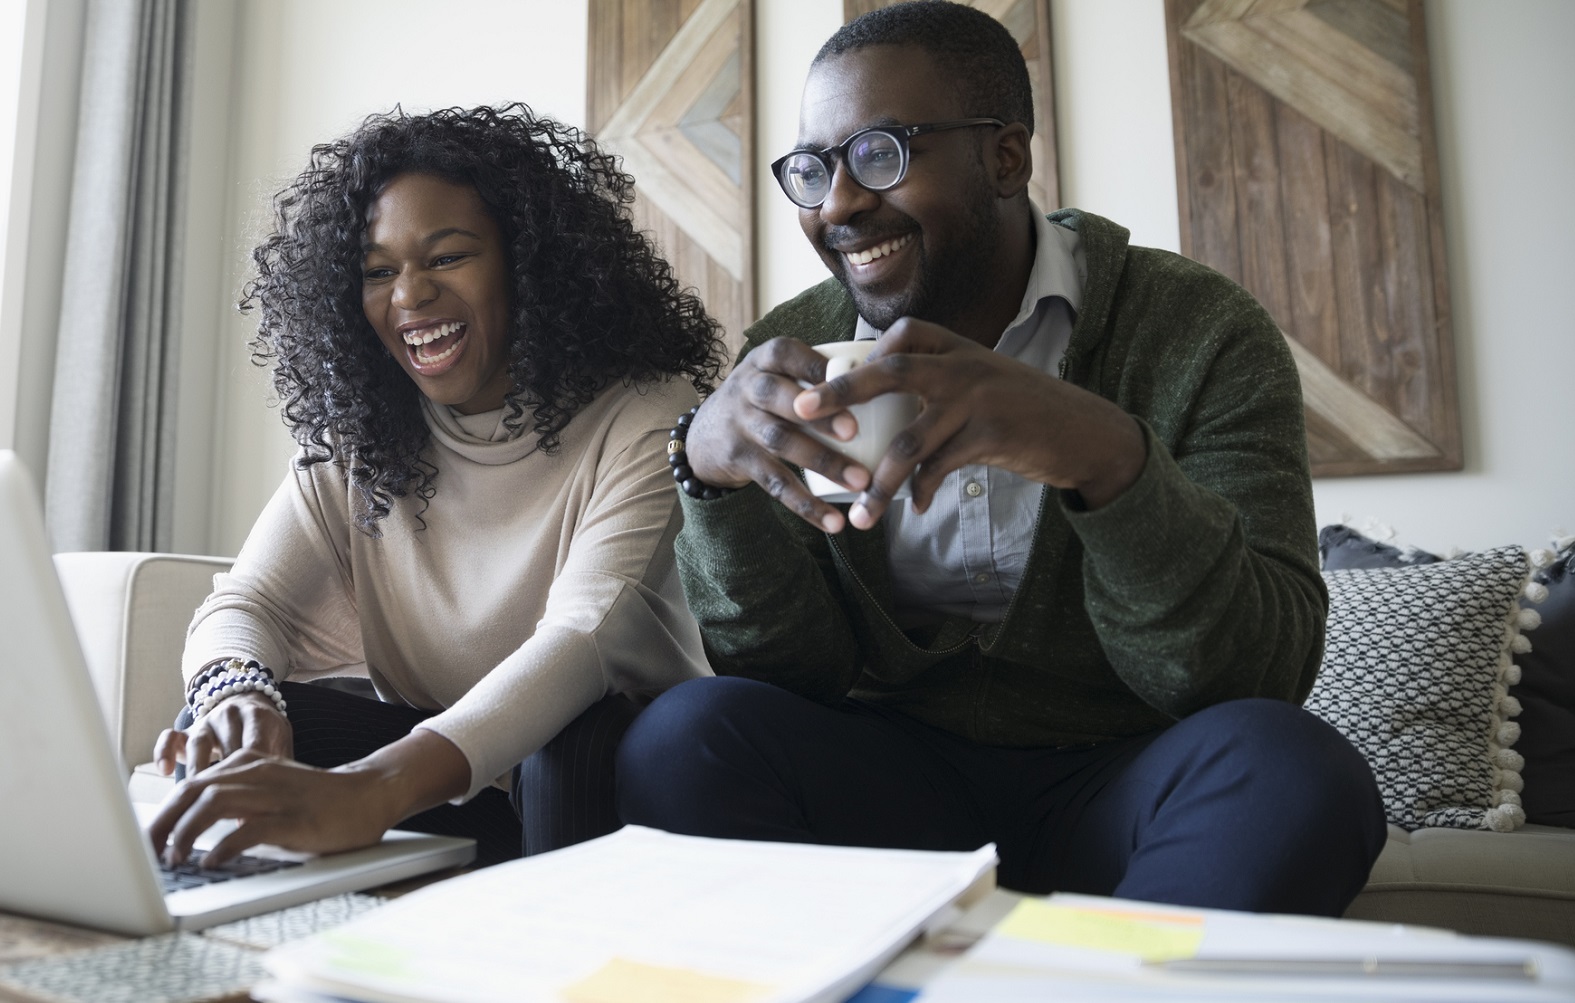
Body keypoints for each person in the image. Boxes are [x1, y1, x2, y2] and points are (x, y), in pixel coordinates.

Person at [617, 1, 1386, 917]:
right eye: (815, 169)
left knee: (1296, 768)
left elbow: (1256, 675)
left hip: (1126, 781)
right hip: (893, 789)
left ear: (1006, 156)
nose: (840, 204)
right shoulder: (791, 352)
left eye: (881, 154)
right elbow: (790, 676)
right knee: (682, 736)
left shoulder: (1197, 330)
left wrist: (1107, 456)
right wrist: (708, 474)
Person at [148, 105, 722, 868]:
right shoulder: (365, 437)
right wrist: (239, 695)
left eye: (447, 257)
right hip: (458, 781)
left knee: (569, 744)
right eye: (379, 272)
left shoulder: (649, 412)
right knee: (238, 727)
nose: (409, 296)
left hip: (607, 787)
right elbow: (247, 602)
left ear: (529, 263)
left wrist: (373, 790)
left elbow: (585, 637)